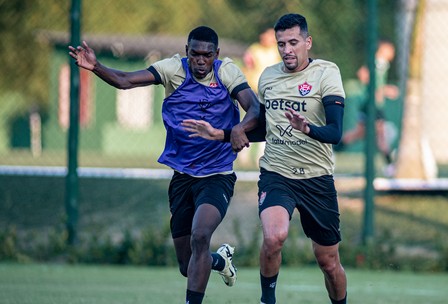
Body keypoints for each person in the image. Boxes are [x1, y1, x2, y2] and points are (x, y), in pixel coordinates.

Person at [69, 26, 260, 304]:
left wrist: (240, 129)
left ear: (216, 55)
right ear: (186, 52)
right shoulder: (172, 69)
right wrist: (96, 66)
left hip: (217, 175)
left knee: (201, 235)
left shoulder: (227, 72)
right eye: (194, 54)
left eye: (207, 55)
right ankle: (221, 261)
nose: (200, 60)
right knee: (187, 264)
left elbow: (253, 107)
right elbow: (125, 80)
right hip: (182, 177)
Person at [183, 13, 348, 304]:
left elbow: (335, 132)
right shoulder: (269, 77)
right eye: (281, 43)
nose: (287, 50)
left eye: (293, 42)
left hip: (317, 178)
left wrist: (306, 128)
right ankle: (266, 301)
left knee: (329, 263)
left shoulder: (326, 72)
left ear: (307, 42)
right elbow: (263, 129)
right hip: (277, 174)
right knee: (274, 237)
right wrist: (221, 134)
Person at [340, 39, 399, 177]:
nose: (392, 53)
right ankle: (390, 165)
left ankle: (331, 151)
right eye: (390, 50)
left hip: (371, 105)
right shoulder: (378, 62)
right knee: (381, 136)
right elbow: (363, 74)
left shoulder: (383, 64)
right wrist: (383, 90)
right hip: (372, 105)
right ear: (383, 49)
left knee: (358, 134)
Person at [237, 27, 281, 167]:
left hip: (269, 90)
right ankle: (242, 153)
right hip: (253, 89)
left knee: (266, 121)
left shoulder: (276, 51)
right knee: (248, 120)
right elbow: (247, 66)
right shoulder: (254, 50)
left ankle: (261, 155)